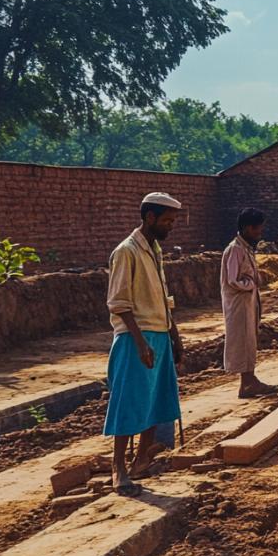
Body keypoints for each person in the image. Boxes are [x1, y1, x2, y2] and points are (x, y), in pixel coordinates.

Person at [104, 192, 185, 496]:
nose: (170, 227)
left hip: (160, 333)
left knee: (157, 401)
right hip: (135, 337)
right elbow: (119, 303)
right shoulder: (126, 252)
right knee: (129, 403)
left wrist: (175, 335)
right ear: (149, 218)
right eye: (167, 221)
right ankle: (118, 468)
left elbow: (164, 300)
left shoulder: (155, 250)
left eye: (173, 221)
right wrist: (140, 343)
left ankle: (140, 461)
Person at [221, 207, 278, 398]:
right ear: (247, 228)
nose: (259, 234)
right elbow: (232, 279)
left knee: (249, 339)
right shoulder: (235, 250)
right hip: (239, 303)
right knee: (242, 340)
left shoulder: (245, 247)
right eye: (257, 230)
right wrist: (250, 284)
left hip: (248, 301)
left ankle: (249, 380)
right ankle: (247, 382)